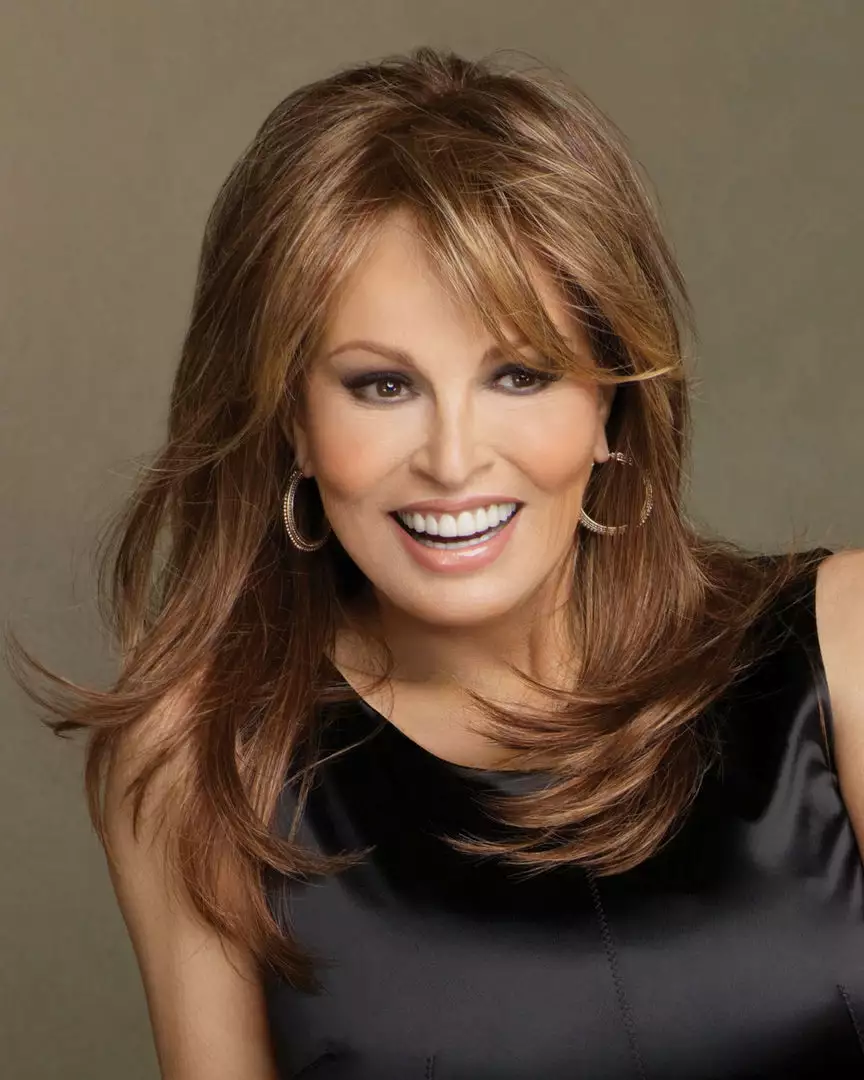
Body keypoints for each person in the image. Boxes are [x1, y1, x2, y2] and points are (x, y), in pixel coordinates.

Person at [7, 46, 864, 1080]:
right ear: (291, 421)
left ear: (614, 400)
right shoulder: (201, 760)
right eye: (382, 386)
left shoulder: (846, 650)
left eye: (520, 374)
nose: (454, 461)